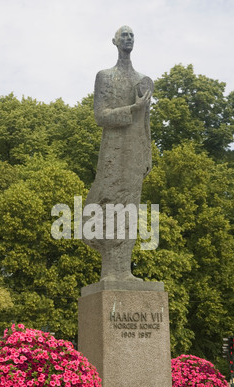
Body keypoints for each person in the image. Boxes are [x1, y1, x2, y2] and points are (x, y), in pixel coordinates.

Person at [83, 25, 153, 281]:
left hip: (135, 152)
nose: (128, 38)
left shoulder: (144, 80)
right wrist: (132, 109)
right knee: (109, 204)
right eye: (124, 35)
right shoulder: (105, 76)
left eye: (132, 35)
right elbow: (100, 116)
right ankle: (109, 272)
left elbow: (145, 122)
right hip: (113, 151)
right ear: (114, 41)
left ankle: (124, 271)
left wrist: (147, 155)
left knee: (130, 209)